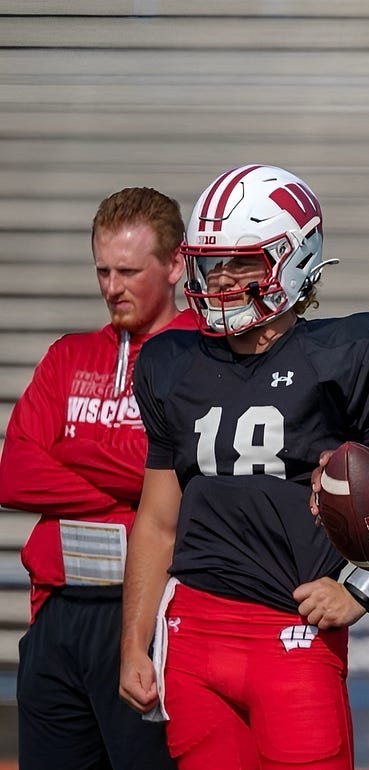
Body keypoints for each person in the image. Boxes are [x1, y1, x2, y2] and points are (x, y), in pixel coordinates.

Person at [117, 164, 369, 770]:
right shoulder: (171, 361)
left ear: (295, 260)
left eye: (243, 263)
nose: (222, 280)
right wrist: (134, 640)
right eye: (213, 263)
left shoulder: (349, 352)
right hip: (193, 637)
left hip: (293, 635)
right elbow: (158, 521)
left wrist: (359, 593)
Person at [0, 187, 193, 770]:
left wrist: (73, 448)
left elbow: (176, 482)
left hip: (146, 612)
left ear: (177, 264)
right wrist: (131, 484)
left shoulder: (199, 360)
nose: (113, 287)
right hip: (59, 612)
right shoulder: (68, 355)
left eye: (129, 271)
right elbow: (13, 474)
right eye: (103, 270)